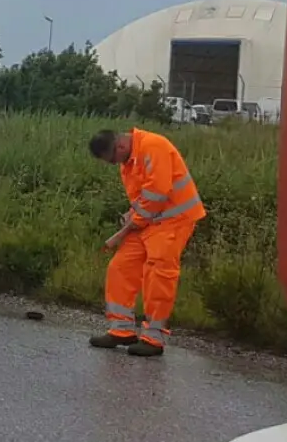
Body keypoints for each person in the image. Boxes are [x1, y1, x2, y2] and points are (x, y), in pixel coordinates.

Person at [87, 126, 206, 356]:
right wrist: (132, 216)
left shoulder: (154, 147)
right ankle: (121, 331)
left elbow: (157, 192)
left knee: (158, 274)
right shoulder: (127, 162)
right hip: (148, 222)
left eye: (111, 159)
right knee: (120, 268)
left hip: (174, 221)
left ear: (120, 146)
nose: (113, 164)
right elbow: (142, 198)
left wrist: (137, 220)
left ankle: (153, 339)